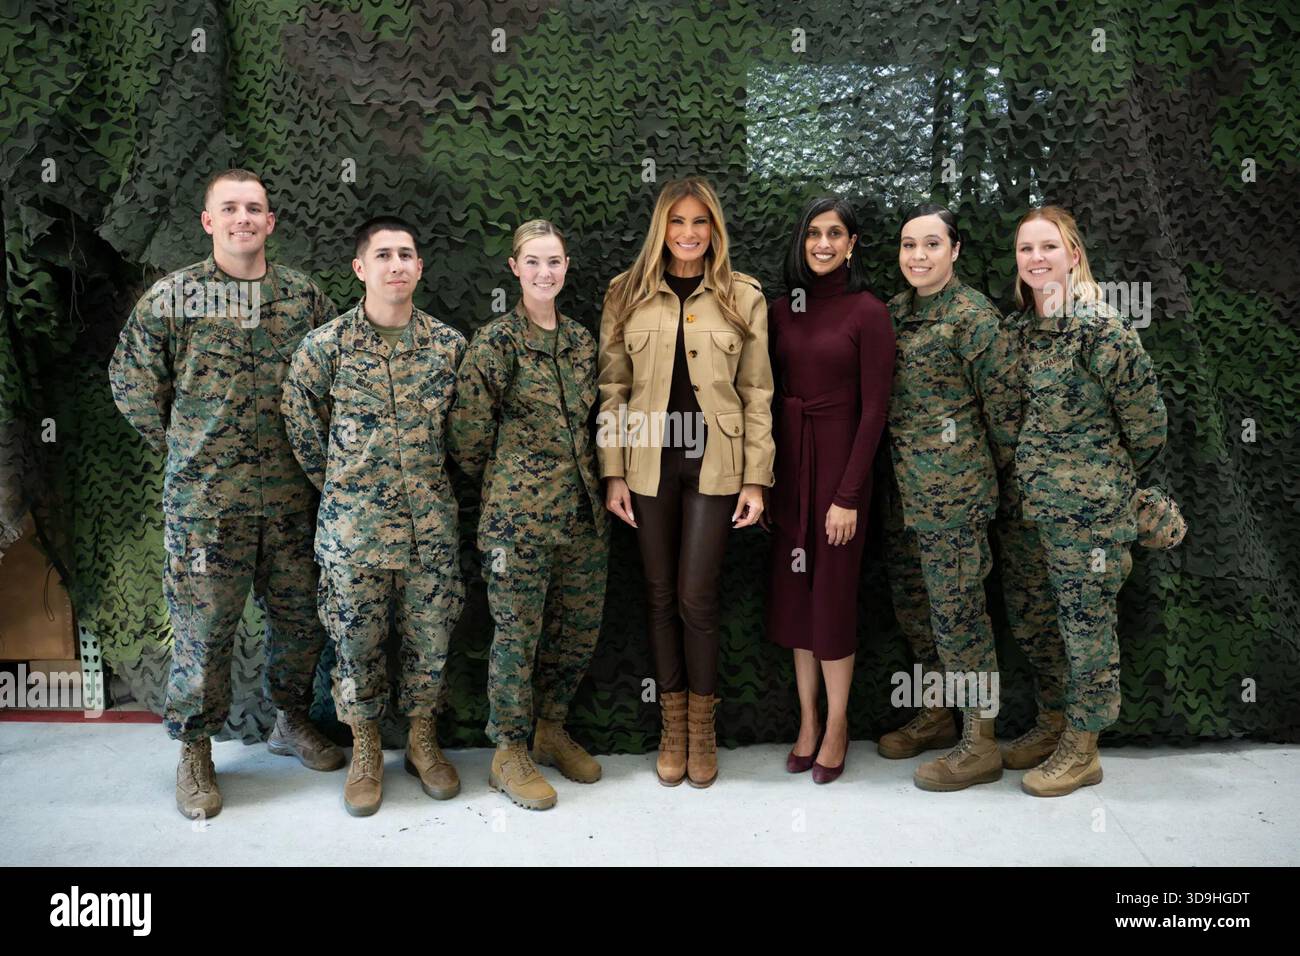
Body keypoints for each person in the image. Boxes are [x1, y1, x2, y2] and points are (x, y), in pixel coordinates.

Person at [109, 168, 343, 821]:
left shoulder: (304, 298)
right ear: (209, 222)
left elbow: (330, 384)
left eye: (255, 209)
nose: (244, 218)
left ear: (270, 223)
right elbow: (131, 383)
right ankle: (194, 752)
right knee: (204, 632)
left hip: (294, 502)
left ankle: (289, 720)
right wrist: (186, 447)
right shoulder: (173, 299)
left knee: (300, 624)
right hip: (208, 508)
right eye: (230, 208)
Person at [281, 216, 467, 816]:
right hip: (352, 534)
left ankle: (420, 740)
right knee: (355, 646)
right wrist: (346, 490)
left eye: (406, 254)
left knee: (431, 642)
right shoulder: (324, 349)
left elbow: (465, 439)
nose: (396, 264)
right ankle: (364, 748)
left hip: (430, 533)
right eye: (383, 255)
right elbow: (304, 433)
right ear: (360, 268)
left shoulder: (448, 347)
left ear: (419, 267)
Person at [597, 177, 774, 788]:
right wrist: (612, 469)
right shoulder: (626, 292)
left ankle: (703, 728)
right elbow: (613, 389)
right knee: (658, 594)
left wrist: (757, 479)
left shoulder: (742, 296)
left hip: (716, 463)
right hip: (649, 462)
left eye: (701, 222)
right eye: (678, 222)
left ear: (715, 229)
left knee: (697, 595)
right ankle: (672, 726)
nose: (689, 233)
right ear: (662, 228)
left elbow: (757, 391)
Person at [448, 220, 609, 811]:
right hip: (517, 521)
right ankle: (508, 752)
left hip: (582, 516)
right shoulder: (495, 343)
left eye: (556, 262)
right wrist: (512, 482)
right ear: (515, 269)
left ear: (567, 267)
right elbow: (467, 436)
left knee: (576, 631)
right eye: (534, 262)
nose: (546, 273)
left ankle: (550, 728)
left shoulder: (581, 341)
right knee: (517, 637)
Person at [1005, 205, 1167, 796]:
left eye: (1049, 246)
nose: (1037, 258)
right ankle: (1052, 722)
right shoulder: (1025, 330)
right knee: (1035, 622)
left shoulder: (1100, 329)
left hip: (1090, 519)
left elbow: (1149, 427)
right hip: (1032, 511)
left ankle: (1084, 748)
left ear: (1073, 254)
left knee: (1086, 628)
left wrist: (1099, 478)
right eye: (1026, 249)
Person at [883, 203, 1021, 792]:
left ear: (955, 250)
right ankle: (939, 716)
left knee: (961, 619)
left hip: (955, 500)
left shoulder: (974, 319)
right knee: (919, 613)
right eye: (909, 245)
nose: (918, 255)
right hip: (899, 498)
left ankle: (980, 741)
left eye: (932, 245)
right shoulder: (892, 314)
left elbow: (1008, 418)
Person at [765, 197, 893, 783]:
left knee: (832, 598)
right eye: (813, 232)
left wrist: (847, 495)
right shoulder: (781, 308)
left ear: (852, 243)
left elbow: (874, 413)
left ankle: (839, 723)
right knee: (796, 598)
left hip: (842, 468)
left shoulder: (869, 311)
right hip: (791, 467)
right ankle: (808, 721)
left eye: (834, 233)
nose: (822, 243)